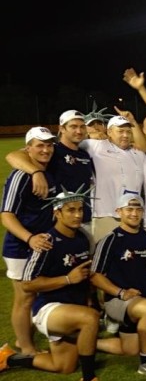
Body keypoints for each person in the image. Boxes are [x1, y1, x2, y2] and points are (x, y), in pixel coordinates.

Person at [0, 190, 100, 381]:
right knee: (90, 318)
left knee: (64, 366)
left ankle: (10, 359)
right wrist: (68, 279)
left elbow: (85, 275)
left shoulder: (84, 239)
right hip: (49, 310)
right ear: (57, 213)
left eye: (80, 209)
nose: (78, 215)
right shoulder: (47, 242)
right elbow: (28, 285)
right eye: (70, 210)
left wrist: (89, 296)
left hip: (72, 309)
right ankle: (89, 377)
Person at [91, 193, 146, 377]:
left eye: (138, 209)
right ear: (119, 212)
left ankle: (85, 342)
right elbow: (95, 276)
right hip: (118, 302)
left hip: (139, 302)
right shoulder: (110, 239)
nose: (134, 214)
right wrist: (120, 292)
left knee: (130, 348)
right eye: (129, 209)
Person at [1, 127, 57, 355]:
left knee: (36, 293)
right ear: (28, 149)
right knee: (24, 297)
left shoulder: (47, 172)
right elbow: (6, 215)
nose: (46, 150)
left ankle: (26, 340)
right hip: (20, 246)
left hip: (40, 244)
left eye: (49, 145)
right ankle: (24, 345)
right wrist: (29, 238)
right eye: (40, 145)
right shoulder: (20, 176)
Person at [5, 110, 95, 241]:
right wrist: (36, 172)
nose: (79, 131)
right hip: (60, 222)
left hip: (84, 218)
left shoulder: (84, 154)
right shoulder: (52, 150)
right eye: (73, 127)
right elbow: (12, 156)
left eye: (82, 127)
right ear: (62, 129)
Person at [79, 109, 146, 243]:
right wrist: (91, 134)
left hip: (132, 216)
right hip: (106, 215)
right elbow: (69, 144)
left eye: (128, 132)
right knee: (104, 254)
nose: (125, 135)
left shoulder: (137, 153)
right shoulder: (95, 146)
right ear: (109, 132)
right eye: (120, 131)